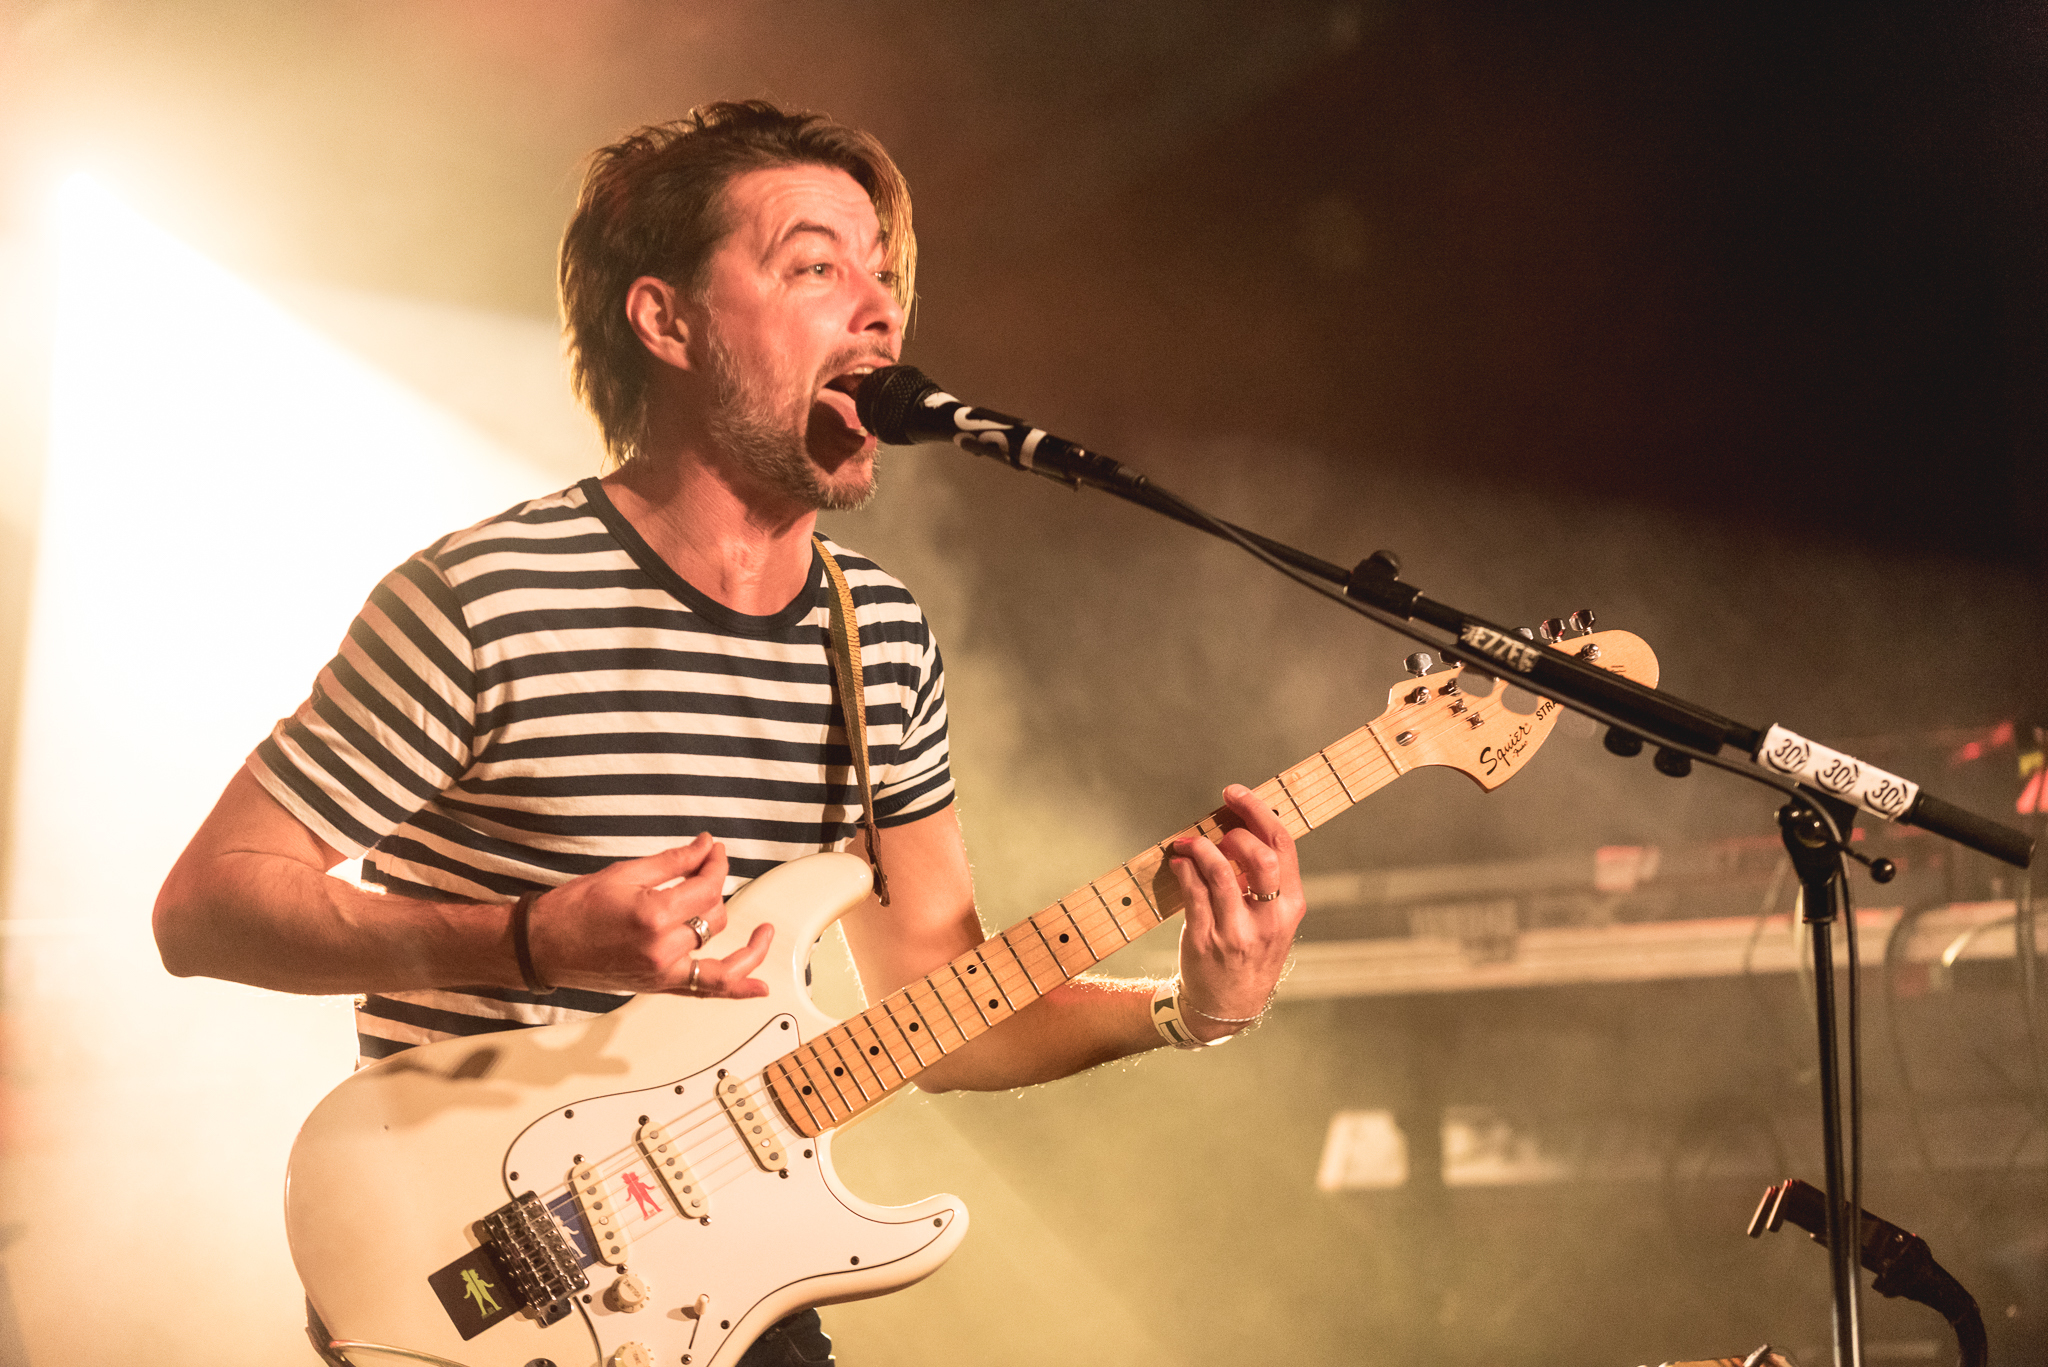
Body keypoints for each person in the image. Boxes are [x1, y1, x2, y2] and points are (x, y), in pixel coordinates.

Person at [152, 100, 1307, 1366]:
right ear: (667, 321)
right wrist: (529, 938)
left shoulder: (877, 635)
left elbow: (942, 1005)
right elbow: (204, 906)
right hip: (477, 1286)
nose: (877, 309)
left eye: (882, 274)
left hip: (720, 1296)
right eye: (814, 266)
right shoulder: (486, 598)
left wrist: (1190, 1009)